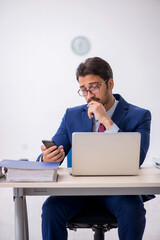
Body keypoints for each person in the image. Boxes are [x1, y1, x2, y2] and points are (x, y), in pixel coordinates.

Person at [40, 57, 153, 240]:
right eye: (83, 90)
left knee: (133, 209)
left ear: (110, 83)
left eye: (94, 87)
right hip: (79, 190)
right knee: (51, 208)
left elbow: (136, 158)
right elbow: (55, 149)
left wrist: (106, 121)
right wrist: (47, 158)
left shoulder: (139, 116)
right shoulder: (72, 115)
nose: (89, 95)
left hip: (118, 190)